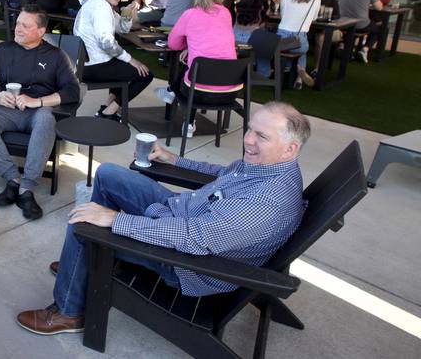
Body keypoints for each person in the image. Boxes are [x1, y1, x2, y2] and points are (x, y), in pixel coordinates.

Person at [16, 101, 310, 335]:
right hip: (180, 212)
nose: (248, 140)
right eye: (249, 129)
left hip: (187, 263)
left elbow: (192, 238)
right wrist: (175, 159)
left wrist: (115, 220)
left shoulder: (266, 202)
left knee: (85, 226)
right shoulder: (265, 165)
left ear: (290, 148)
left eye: (261, 136)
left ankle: (69, 310)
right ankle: (78, 265)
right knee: (107, 174)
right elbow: (224, 174)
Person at [0, 7, 81, 220]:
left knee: (46, 118)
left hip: (38, 111)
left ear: (41, 31)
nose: (18, 29)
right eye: (17, 23)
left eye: (25, 25)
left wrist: (37, 101)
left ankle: (27, 188)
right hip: (6, 110)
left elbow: (72, 91)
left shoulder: (56, 56)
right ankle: (12, 178)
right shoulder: (3, 49)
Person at [166, 0, 240, 137]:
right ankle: (175, 101)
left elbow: (172, 44)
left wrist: (187, 45)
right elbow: (214, 40)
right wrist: (191, 47)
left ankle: (182, 111)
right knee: (193, 70)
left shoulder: (191, 14)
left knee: (186, 78)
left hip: (198, 90)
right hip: (229, 91)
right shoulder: (226, 14)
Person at [74, 0, 152, 122]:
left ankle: (107, 106)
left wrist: (127, 12)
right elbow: (107, 43)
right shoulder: (100, 6)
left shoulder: (101, 4)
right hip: (93, 66)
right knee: (145, 75)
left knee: (120, 65)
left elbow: (122, 28)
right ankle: (108, 113)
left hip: (86, 63)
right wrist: (132, 60)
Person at [276, 0, 321, 89]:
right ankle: (299, 76)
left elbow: (282, 15)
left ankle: (290, 69)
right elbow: (315, 18)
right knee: (301, 50)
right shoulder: (316, 0)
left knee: (289, 49)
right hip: (300, 41)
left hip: (281, 40)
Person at [335, 0, 381, 64]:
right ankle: (365, 49)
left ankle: (345, 46)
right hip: (360, 24)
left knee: (354, 27)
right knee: (379, 29)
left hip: (342, 24)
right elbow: (379, 7)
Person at [234, 0, 272, 77]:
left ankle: (250, 65)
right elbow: (262, 25)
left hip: (235, 37)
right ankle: (264, 72)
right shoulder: (264, 2)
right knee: (265, 43)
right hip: (250, 41)